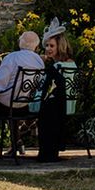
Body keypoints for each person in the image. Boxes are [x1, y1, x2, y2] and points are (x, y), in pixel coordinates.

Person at [36, 20, 77, 163]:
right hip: (62, 102)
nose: (48, 48)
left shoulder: (61, 65)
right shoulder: (59, 64)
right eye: (46, 45)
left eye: (51, 46)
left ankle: (46, 150)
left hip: (63, 104)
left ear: (60, 46)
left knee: (43, 105)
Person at [0, 30, 47, 105]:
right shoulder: (39, 62)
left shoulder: (12, 57)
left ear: (20, 43)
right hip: (27, 106)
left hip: (6, 105)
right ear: (36, 46)